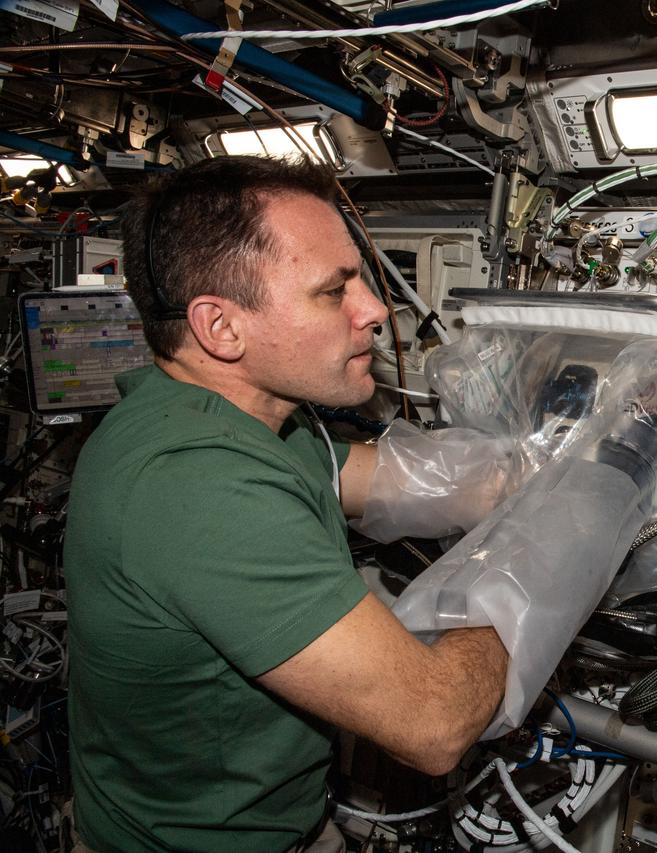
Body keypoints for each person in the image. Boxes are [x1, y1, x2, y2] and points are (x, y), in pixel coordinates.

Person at [63, 156, 511, 851]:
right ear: (222, 327)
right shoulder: (200, 484)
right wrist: (519, 579)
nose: (374, 310)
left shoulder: (234, 418)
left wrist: (550, 465)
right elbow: (435, 722)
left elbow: (396, 481)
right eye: (334, 292)